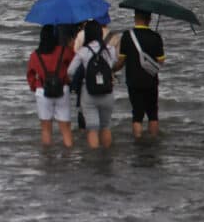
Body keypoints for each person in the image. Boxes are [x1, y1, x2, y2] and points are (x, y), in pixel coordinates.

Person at [115, 9, 166, 139]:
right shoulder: (156, 37)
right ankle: (153, 139)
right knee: (153, 113)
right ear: (149, 19)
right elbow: (161, 61)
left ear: (135, 18)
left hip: (133, 80)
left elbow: (121, 61)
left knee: (137, 114)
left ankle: (138, 140)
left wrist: (112, 70)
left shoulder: (127, 35)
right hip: (151, 80)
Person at [68, 19, 118, 149]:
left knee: (92, 129)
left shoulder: (83, 51)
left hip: (88, 92)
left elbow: (70, 71)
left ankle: (94, 160)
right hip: (107, 91)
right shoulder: (110, 50)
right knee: (105, 126)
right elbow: (113, 65)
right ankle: (107, 157)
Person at [26, 24, 74, 148]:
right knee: (66, 129)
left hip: (43, 91)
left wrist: (35, 86)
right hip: (62, 90)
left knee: (46, 129)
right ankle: (69, 157)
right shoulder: (64, 51)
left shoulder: (35, 55)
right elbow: (73, 66)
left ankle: (47, 159)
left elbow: (30, 75)